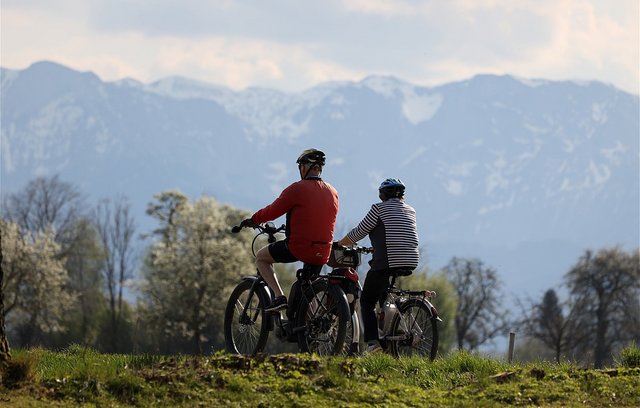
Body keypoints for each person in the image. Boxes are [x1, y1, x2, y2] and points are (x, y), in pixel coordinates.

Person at [240, 148, 339, 312]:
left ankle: (279, 297)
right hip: (323, 251)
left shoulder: (297, 189)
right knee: (307, 289)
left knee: (261, 258)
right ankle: (308, 327)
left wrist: (253, 219)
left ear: (304, 167)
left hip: (299, 248)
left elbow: (273, 211)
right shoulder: (333, 192)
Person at [337, 178, 419, 353]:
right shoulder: (411, 210)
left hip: (388, 260)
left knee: (367, 301)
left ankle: (373, 342)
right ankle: (394, 326)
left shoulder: (378, 209)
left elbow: (359, 232)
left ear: (383, 194)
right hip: (411, 259)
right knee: (384, 292)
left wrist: (340, 244)